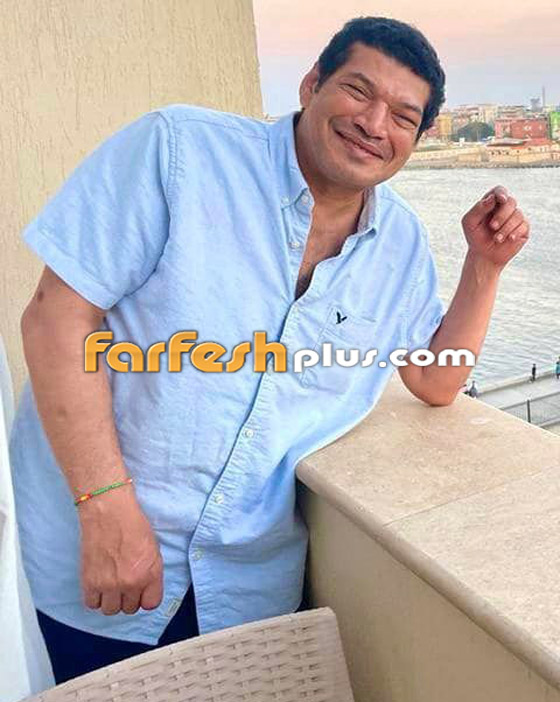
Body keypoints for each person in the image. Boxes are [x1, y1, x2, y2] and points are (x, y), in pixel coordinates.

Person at [10, 16, 530, 682]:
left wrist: (484, 267)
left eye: (404, 116)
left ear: (417, 138)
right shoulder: (180, 153)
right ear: (312, 85)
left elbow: (434, 380)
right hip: (89, 557)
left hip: (244, 590)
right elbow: (56, 317)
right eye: (358, 90)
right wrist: (105, 504)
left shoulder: (398, 244)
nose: (375, 124)